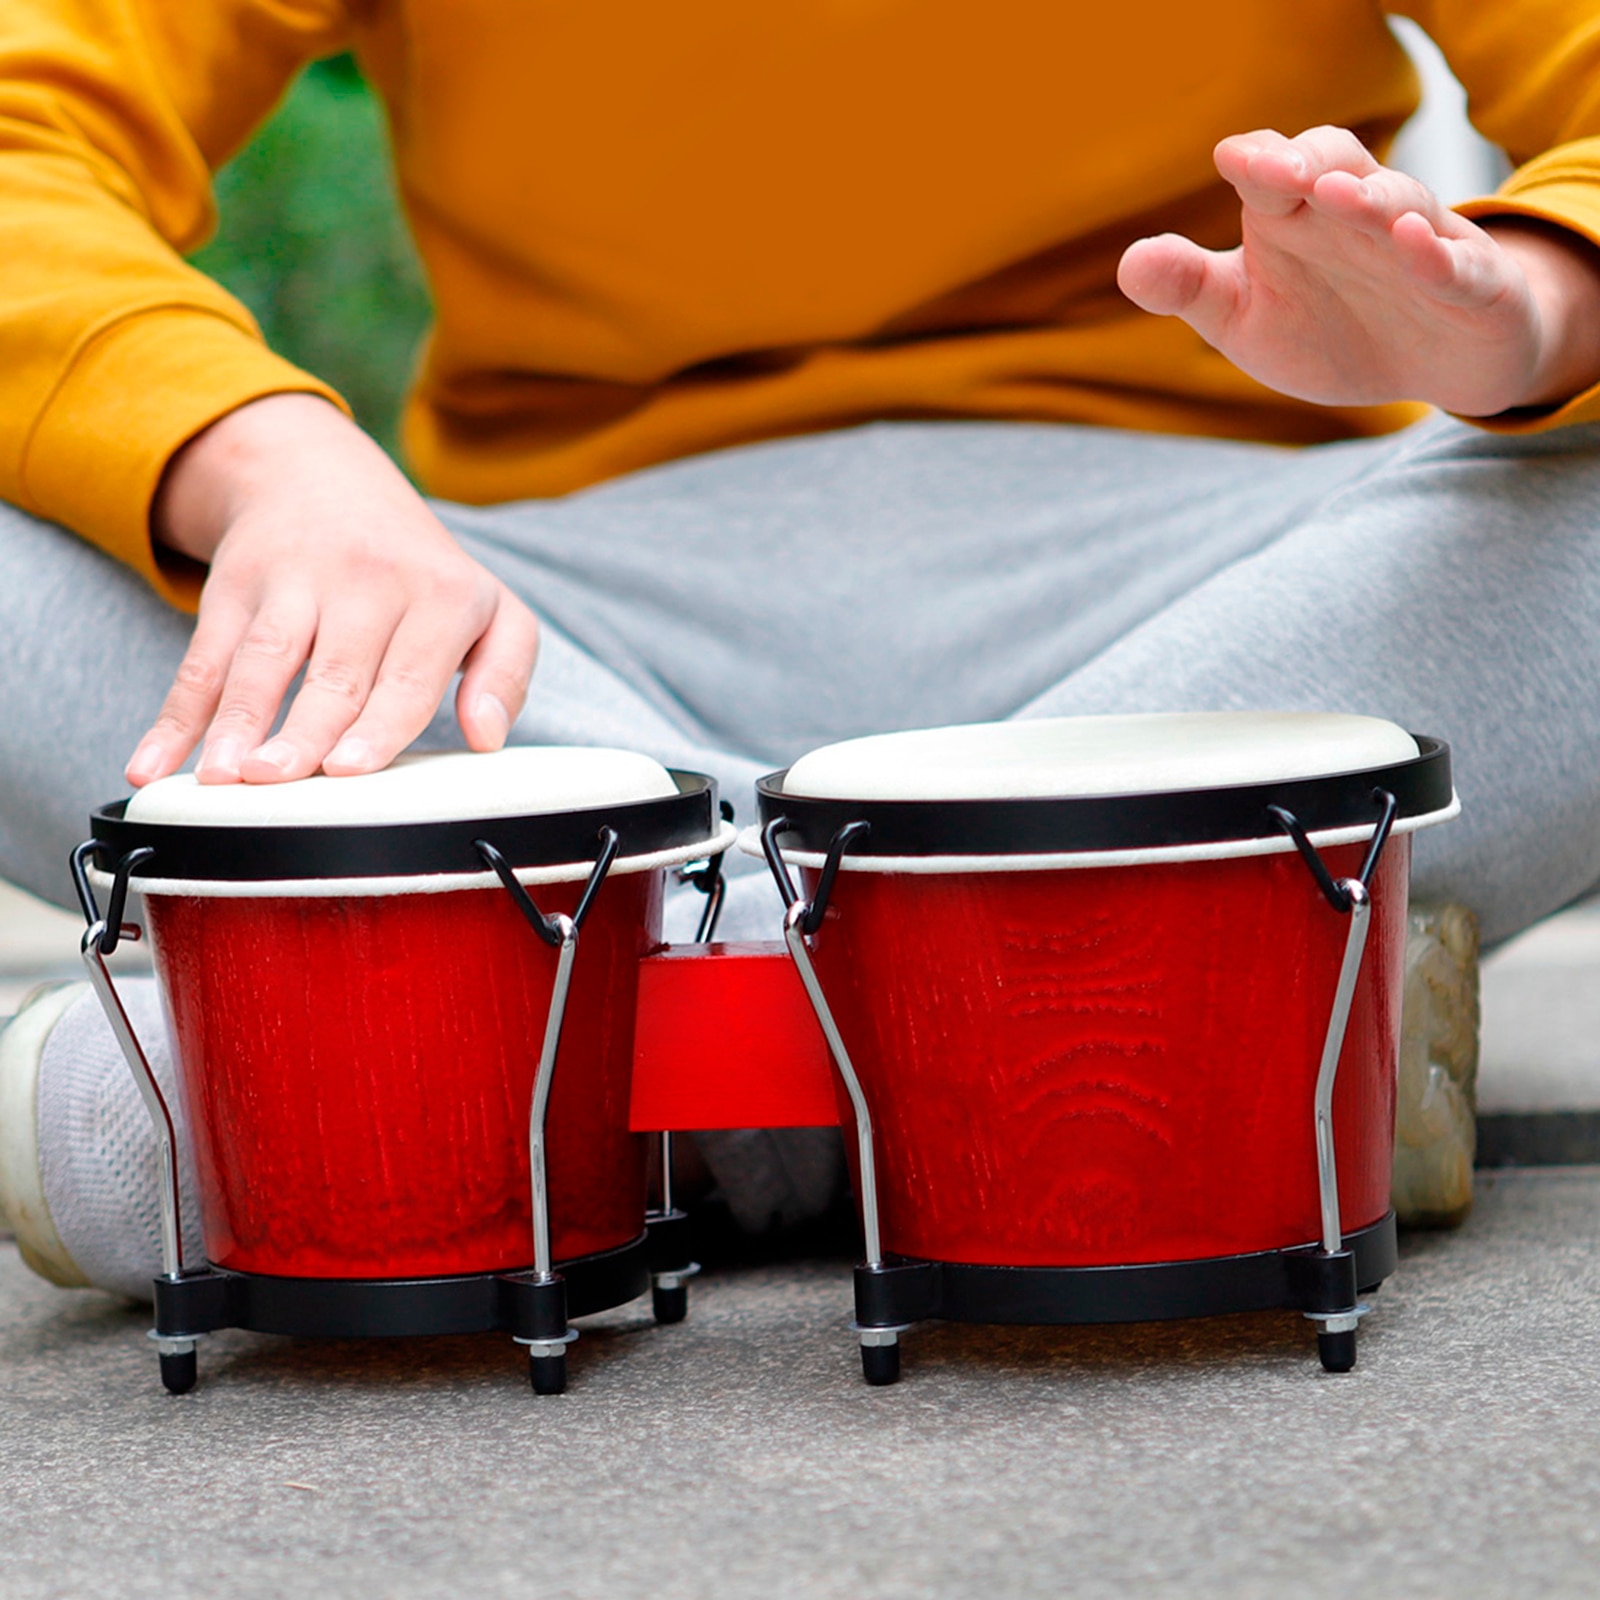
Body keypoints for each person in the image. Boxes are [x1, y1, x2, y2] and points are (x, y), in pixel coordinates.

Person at [4, 0, 1600, 1295]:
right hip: (548, 655)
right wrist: (257, 457)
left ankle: (451, 1087)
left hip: (1233, 614)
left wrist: (1532, 306)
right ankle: (1157, 1034)